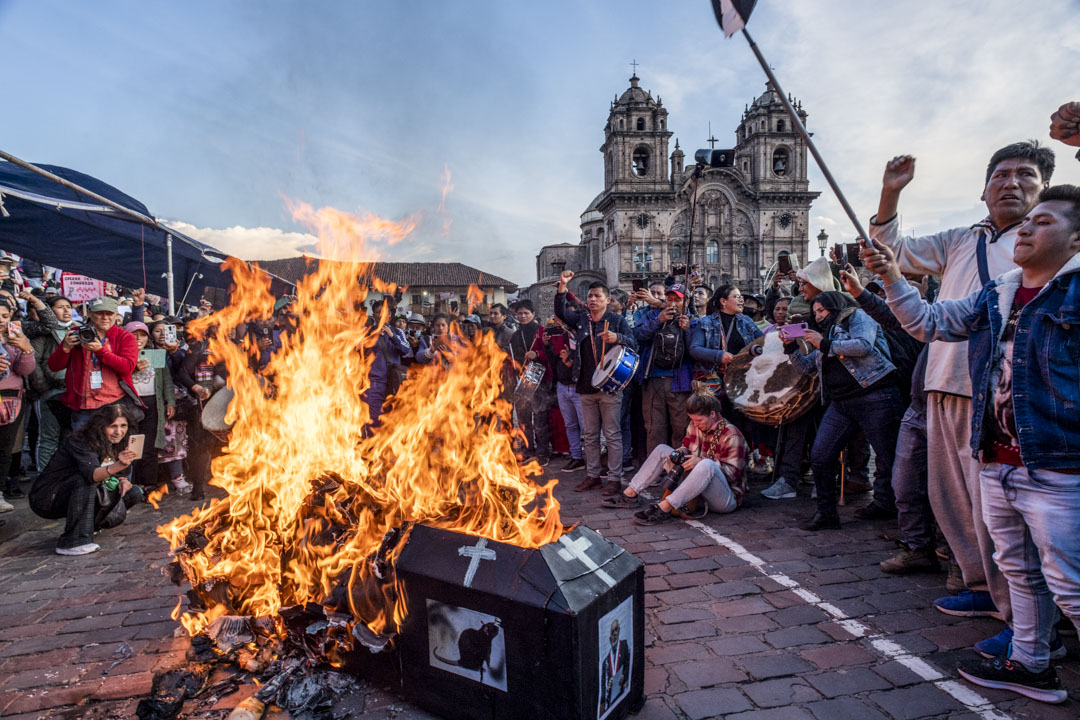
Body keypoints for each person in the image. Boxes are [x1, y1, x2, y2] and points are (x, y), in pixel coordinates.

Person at [865, 185, 1080, 705]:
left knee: (1071, 583)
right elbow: (928, 322)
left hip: (1057, 465)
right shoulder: (998, 294)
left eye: (1045, 221)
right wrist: (893, 276)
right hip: (997, 459)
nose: (1027, 227)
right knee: (1020, 571)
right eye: (1028, 221)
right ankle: (1031, 663)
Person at [868, 141, 1054, 626]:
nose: (1010, 183)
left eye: (1025, 176)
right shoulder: (960, 240)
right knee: (952, 500)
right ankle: (980, 585)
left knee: (1001, 514)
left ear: (1046, 192)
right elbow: (894, 253)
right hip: (942, 381)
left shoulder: (1050, 243)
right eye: (1001, 175)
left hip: (1000, 392)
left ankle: (1023, 617)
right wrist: (890, 194)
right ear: (984, 189)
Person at [782, 291, 902, 531]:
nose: (818, 316)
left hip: (874, 394)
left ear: (834, 307)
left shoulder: (857, 316)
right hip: (841, 402)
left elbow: (863, 346)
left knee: (887, 456)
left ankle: (887, 505)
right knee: (820, 454)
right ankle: (826, 513)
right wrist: (790, 347)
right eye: (815, 312)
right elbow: (807, 367)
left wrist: (824, 343)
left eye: (822, 310)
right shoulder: (825, 336)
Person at [605, 390, 748, 526]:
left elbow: (733, 475)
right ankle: (630, 493)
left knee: (707, 465)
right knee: (662, 449)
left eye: (699, 420)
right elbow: (686, 446)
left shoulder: (731, 435)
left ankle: (664, 508)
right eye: (693, 420)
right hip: (696, 488)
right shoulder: (695, 425)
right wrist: (678, 454)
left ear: (712, 414)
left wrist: (702, 461)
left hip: (724, 497)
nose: (696, 424)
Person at [553, 271, 636, 494]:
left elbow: (634, 344)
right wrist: (562, 287)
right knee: (589, 435)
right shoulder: (582, 320)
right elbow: (560, 312)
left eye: (598, 296)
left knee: (612, 434)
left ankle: (615, 479)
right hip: (585, 385)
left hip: (609, 386)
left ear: (607, 300)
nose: (592, 300)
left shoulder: (617, 321)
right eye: (590, 296)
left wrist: (617, 338)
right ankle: (592, 475)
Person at [29, 404, 143, 555]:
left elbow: (113, 472)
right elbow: (93, 474)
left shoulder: (118, 442)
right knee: (85, 480)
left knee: (133, 492)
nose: (119, 431)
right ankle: (73, 541)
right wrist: (119, 465)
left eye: (123, 426)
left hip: (83, 493)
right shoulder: (80, 441)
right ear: (101, 426)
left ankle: (90, 526)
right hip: (49, 497)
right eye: (113, 426)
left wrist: (122, 480)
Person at [48, 296, 141, 431]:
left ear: (116, 315)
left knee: (112, 448)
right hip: (82, 405)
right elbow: (54, 366)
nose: (105, 318)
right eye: (99, 313)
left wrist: (101, 352)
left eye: (109, 314)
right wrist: (65, 349)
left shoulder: (125, 337)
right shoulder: (76, 333)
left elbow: (127, 367)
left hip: (113, 404)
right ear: (90, 313)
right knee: (83, 449)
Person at [633, 283, 693, 455]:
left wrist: (687, 330)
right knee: (654, 428)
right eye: (669, 299)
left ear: (686, 302)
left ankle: (679, 470)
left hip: (680, 382)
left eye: (678, 300)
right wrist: (658, 321)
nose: (672, 304)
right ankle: (656, 470)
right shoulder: (652, 315)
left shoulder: (693, 320)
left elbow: (695, 350)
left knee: (681, 428)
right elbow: (637, 335)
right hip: (652, 379)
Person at [124, 321, 176, 487]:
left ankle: (149, 485)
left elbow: (167, 381)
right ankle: (131, 485)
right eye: (134, 335)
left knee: (150, 446)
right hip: (130, 404)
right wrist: (133, 369)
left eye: (143, 335)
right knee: (130, 444)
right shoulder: (122, 355)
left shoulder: (155, 354)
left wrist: (170, 402)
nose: (139, 338)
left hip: (154, 404)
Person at [28, 294, 71, 471]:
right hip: (50, 393)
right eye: (61, 307)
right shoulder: (43, 333)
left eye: (69, 306)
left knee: (69, 438)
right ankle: (45, 480)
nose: (66, 310)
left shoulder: (79, 330)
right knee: (48, 438)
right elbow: (33, 362)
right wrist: (43, 389)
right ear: (50, 311)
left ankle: (64, 478)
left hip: (72, 393)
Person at [0, 302, 36, 514]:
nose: (1, 320)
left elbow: (25, 369)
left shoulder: (15, 339)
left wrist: (26, 348)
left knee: (4, 449)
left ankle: (0, 493)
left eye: (4, 315)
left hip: (11, 400)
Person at [510, 301, 552, 465]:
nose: (522, 316)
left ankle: (542, 453)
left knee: (540, 417)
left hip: (539, 378)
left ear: (533, 314)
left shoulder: (542, 332)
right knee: (523, 418)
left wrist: (538, 353)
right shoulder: (514, 335)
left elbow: (552, 352)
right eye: (519, 314)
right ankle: (528, 450)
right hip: (521, 379)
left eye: (526, 313)